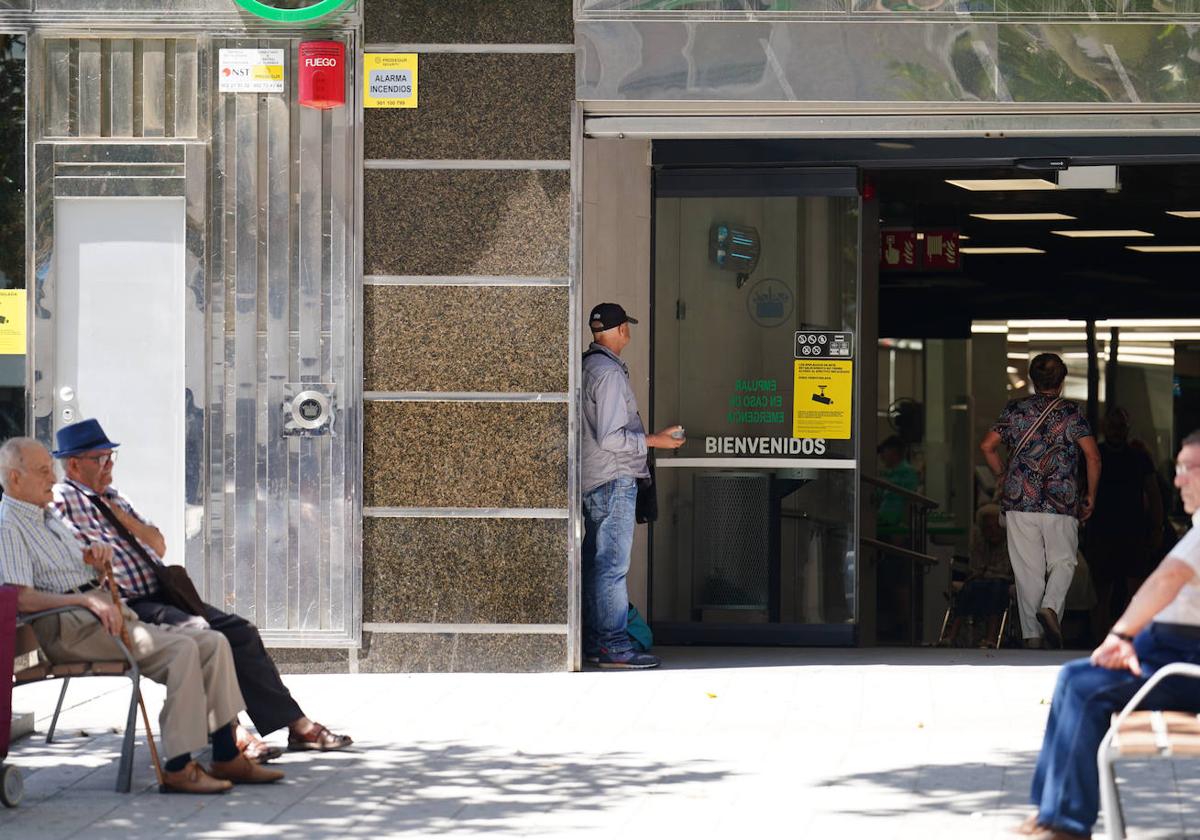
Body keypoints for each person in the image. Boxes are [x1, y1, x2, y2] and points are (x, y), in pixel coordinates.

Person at [49, 419, 351, 758]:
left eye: (111, 457)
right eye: (100, 459)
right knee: (202, 634)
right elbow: (71, 558)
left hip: (164, 591)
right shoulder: (62, 500)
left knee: (241, 632)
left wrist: (123, 518)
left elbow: (158, 546)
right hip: (129, 602)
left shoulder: (115, 497)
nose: (108, 466)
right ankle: (231, 732)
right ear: (74, 463)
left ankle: (294, 723)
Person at [0, 437, 283, 793]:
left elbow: (79, 571)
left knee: (213, 641)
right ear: (14, 478)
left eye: (51, 469)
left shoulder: (48, 516)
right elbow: (19, 598)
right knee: (182, 651)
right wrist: (88, 602)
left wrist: (95, 560)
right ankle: (179, 767)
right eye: (43, 471)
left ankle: (227, 754)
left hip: (98, 613)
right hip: (68, 627)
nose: (52, 478)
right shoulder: (10, 523)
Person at [1016, 431, 1200, 840]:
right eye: (1178, 469)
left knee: (1081, 685)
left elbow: (1168, 580)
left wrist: (1120, 635)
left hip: (1183, 662)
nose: (1177, 481)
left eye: (1188, 470)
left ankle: (1064, 822)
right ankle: (1051, 812)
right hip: (1171, 651)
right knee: (1073, 680)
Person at [581, 303, 683, 669]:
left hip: (598, 481)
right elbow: (610, 437)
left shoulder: (590, 366)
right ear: (622, 329)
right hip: (613, 480)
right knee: (611, 566)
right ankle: (612, 645)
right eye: (628, 327)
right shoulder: (607, 373)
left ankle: (596, 642)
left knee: (598, 566)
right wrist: (657, 440)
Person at [981, 353, 1101, 649]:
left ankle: (1032, 640)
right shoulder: (1072, 413)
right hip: (1060, 501)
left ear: (1034, 380)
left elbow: (987, 446)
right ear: (1061, 381)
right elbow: (1093, 456)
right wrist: (1091, 496)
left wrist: (1001, 475)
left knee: (1027, 572)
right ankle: (1050, 607)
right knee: (1064, 560)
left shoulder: (1015, 410)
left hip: (1020, 501)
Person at [1085, 407, 1164, 636]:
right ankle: (1099, 642)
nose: (1116, 431)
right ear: (1103, 428)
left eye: (1120, 426)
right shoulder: (1094, 456)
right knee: (1100, 594)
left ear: (1127, 429)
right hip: (1101, 531)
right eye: (1112, 426)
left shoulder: (1139, 457)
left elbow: (1154, 493)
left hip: (1134, 531)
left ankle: (1129, 640)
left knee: (1135, 592)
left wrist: (1157, 527)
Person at [944, 503, 1014, 647]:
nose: (993, 531)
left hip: (1001, 580)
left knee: (996, 588)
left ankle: (991, 638)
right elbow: (975, 566)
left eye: (996, 527)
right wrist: (986, 572)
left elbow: (1006, 569)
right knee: (968, 588)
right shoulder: (979, 541)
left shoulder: (1010, 542)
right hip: (981, 579)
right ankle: (951, 636)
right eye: (988, 528)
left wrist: (987, 572)